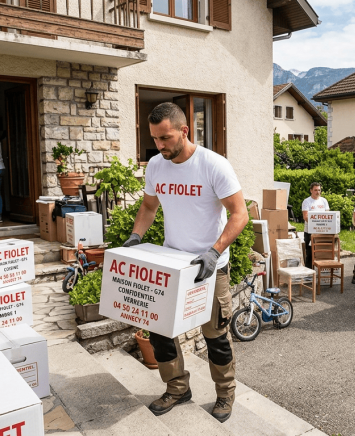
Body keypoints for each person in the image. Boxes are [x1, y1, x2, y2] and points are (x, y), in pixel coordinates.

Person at [123, 102, 248, 423]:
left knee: (216, 337)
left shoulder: (213, 165)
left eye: (165, 138)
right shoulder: (156, 165)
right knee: (161, 333)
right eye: (154, 139)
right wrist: (136, 236)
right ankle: (177, 387)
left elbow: (240, 214)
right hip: (171, 265)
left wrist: (215, 251)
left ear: (184, 131)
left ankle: (225, 394)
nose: (159, 146)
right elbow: (149, 207)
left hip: (210, 267)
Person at [301, 182, 329, 269]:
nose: (318, 192)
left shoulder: (324, 201)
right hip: (310, 232)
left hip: (322, 232)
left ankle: (320, 273)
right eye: (315, 190)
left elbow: (328, 215)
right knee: (310, 254)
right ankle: (309, 275)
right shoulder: (307, 201)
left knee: (321, 252)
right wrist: (317, 223)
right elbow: (305, 217)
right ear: (311, 191)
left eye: (319, 190)